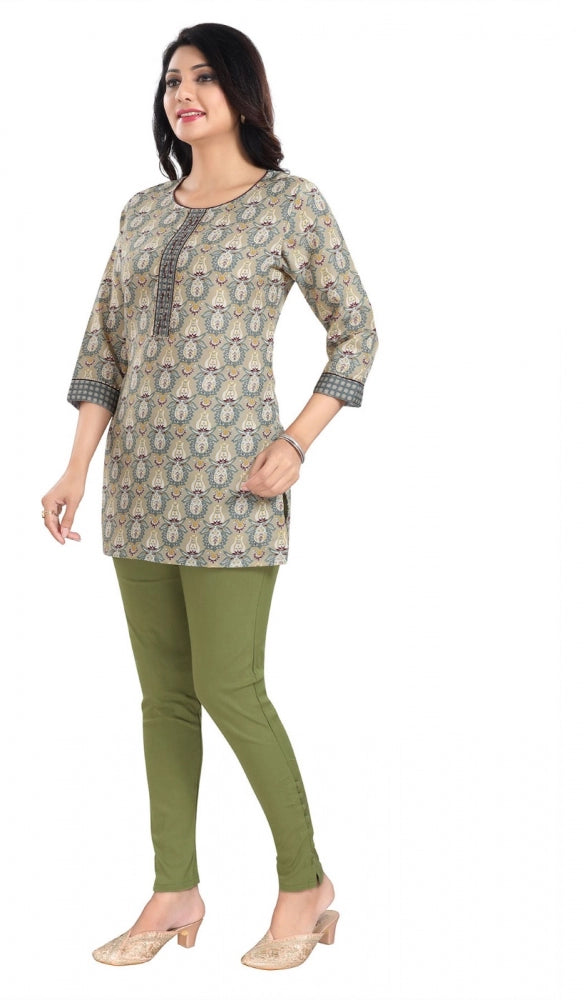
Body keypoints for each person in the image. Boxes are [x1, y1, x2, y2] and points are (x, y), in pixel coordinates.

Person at [40, 22, 378, 971]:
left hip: (234, 486)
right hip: (137, 488)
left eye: (200, 77)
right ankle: (175, 886)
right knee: (163, 697)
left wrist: (296, 442)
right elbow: (103, 344)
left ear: (240, 90)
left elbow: (357, 331)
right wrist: (75, 467)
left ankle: (305, 883)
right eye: (170, 81)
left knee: (232, 687)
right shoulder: (144, 210)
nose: (181, 93)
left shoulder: (290, 204)